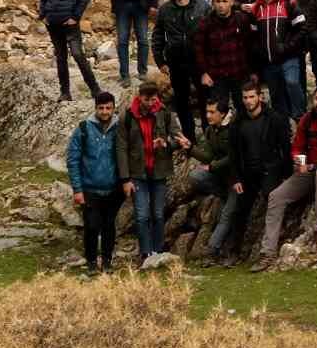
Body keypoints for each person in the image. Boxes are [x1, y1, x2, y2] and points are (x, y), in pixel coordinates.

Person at [252, 85, 317, 270]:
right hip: (311, 170)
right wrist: (299, 162)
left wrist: (312, 165)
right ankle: (268, 252)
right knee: (276, 196)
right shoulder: (307, 120)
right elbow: (297, 146)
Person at [115, 77, 188, 262]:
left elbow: (177, 139)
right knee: (141, 214)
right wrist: (125, 178)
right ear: (139, 97)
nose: (150, 103)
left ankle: (158, 250)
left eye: (153, 99)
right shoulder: (128, 116)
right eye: (146, 99)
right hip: (137, 173)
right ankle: (146, 252)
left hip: (158, 171)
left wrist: (167, 144)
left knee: (157, 213)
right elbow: (121, 148)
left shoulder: (165, 113)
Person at [225, 79, 292, 265]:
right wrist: (236, 178)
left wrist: (286, 173)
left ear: (260, 97)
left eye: (251, 97)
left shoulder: (275, 119)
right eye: (245, 97)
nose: (248, 101)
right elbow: (233, 153)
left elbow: (285, 147)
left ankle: (270, 250)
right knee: (239, 211)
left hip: (270, 170)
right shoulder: (237, 122)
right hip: (247, 174)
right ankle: (233, 252)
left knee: (272, 203)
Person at [65, 90, 122, 274]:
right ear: (95, 108)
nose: (105, 112)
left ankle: (107, 261)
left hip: (113, 187)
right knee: (91, 226)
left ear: (114, 108)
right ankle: (90, 262)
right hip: (89, 188)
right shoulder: (83, 128)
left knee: (109, 226)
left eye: (108, 108)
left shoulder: (120, 127)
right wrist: (77, 189)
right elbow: (73, 159)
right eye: (101, 108)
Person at [37, 0, 101, 102]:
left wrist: (75, 17)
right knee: (60, 57)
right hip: (53, 23)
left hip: (70, 23)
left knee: (78, 54)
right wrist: (43, 15)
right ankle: (65, 93)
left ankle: (95, 90)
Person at [152, 0, 210, 142]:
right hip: (176, 61)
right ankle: (189, 139)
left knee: (204, 98)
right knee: (182, 101)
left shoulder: (202, 7)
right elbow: (157, 36)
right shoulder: (165, 9)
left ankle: (209, 135)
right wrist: (160, 61)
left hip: (199, 61)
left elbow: (210, 34)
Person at [244, 0, 307, 121]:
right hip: (269, 61)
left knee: (292, 83)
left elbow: (303, 28)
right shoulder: (256, 9)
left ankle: (300, 116)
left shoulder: (289, 3)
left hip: (288, 56)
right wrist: (258, 53)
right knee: (276, 95)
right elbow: (253, 36)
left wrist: (287, 46)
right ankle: (283, 125)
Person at [187, 95, 240, 263]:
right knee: (195, 176)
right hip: (222, 180)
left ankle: (212, 249)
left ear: (223, 114)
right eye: (207, 112)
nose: (208, 115)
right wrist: (190, 148)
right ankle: (222, 194)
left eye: (212, 112)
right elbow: (208, 155)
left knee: (226, 215)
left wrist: (212, 167)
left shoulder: (234, 129)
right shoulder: (211, 130)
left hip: (237, 179)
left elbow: (234, 157)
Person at [196, 0, 252, 111]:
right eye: (218, 1)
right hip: (217, 75)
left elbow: (250, 46)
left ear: (231, 2)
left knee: (244, 109)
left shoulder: (241, 20)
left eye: (225, 1)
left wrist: (253, 71)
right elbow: (199, 50)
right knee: (219, 112)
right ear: (213, 3)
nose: (221, 5)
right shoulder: (205, 24)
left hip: (240, 72)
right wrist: (204, 73)